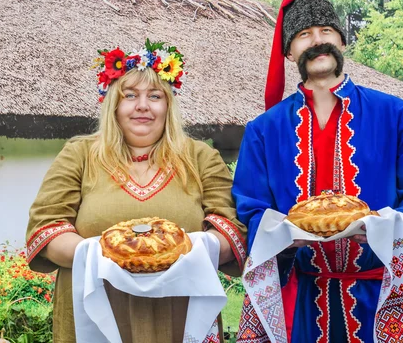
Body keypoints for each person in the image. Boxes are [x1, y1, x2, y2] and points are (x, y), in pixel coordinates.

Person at [232, 0, 403, 342]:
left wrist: (386, 228)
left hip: (381, 301)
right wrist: (281, 239)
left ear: (342, 42)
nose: (317, 40)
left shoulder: (398, 115)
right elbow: (250, 209)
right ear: (289, 52)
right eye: (304, 34)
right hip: (302, 304)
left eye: (327, 31)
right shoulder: (263, 131)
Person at [25, 40, 247, 343]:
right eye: (130, 95)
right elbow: (47, 227)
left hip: (179, 312)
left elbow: (232, 226)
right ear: (114, 104)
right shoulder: (80, 154)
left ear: (168, 105)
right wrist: (105, 256)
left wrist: (180, 251)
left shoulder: (200, 156)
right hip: (97, 310)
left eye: (154, 96)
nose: (143, 105)